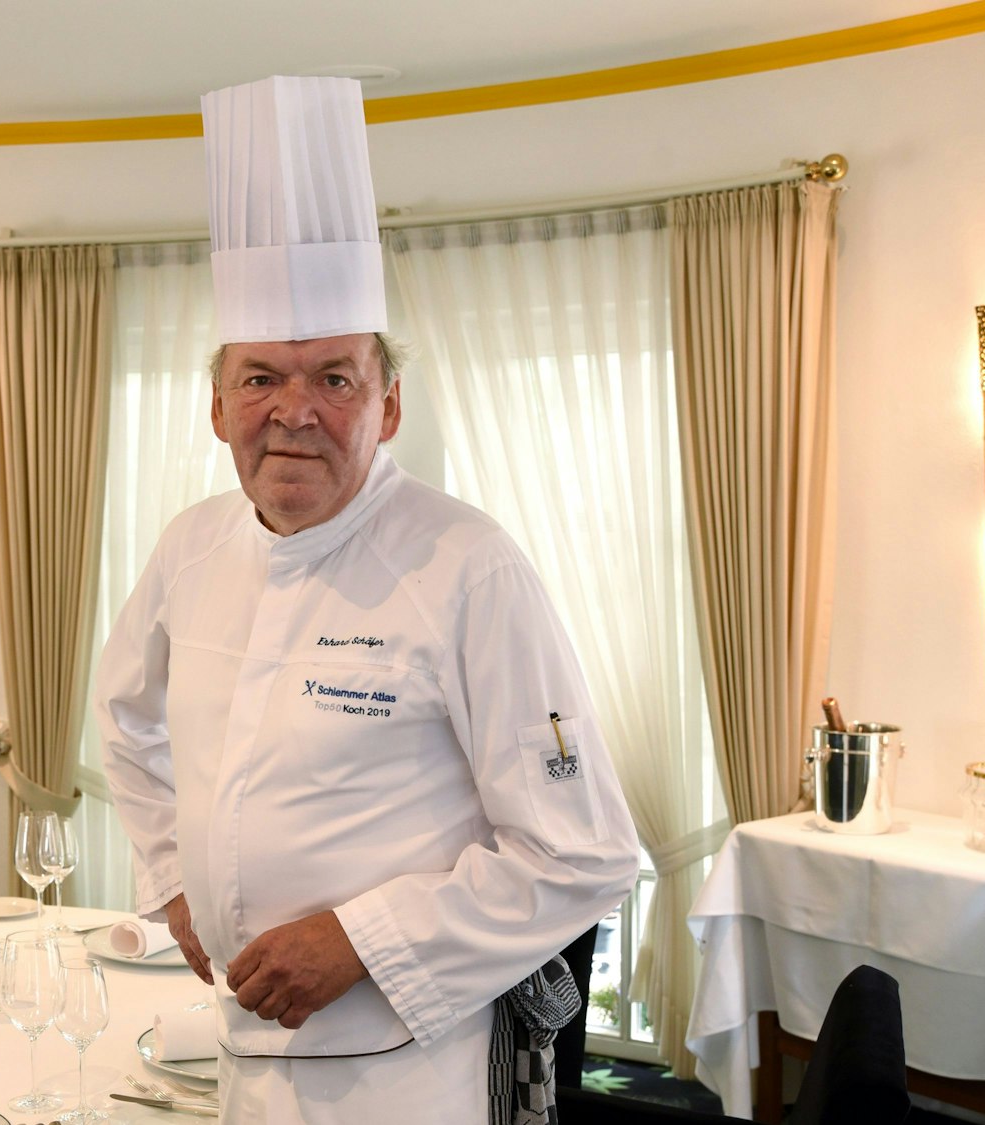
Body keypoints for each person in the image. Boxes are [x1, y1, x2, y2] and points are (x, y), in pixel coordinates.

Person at [95, 76, 640, 1122]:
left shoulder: (468, 568)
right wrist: (172, 879)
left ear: (388, 407)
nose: (292, 411)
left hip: (404, 1070)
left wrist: (357, 941)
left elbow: (582, 852)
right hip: (234, 1047)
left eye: (334, 380)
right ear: (217, 407)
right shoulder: (189, 549)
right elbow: (124, 723)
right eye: (260, 378)